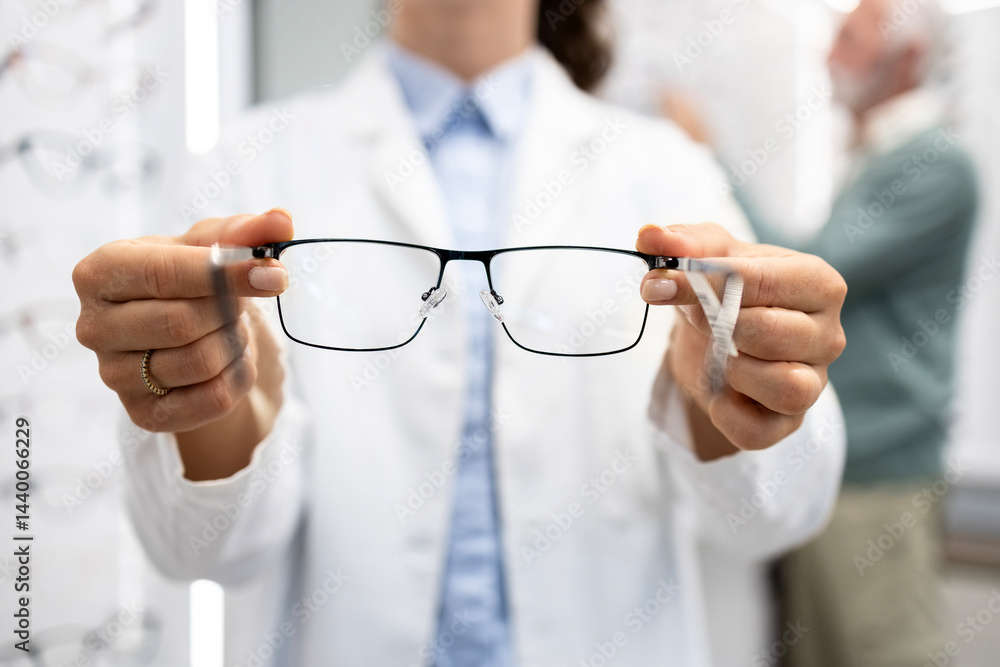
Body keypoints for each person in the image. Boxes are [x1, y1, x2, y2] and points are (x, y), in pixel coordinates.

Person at [72, 0, 849, 664]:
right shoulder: (248, 165)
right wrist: (203, 386)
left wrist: (724, 387)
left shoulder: (667, 170)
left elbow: (768, 516)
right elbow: (199, 547)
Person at [664, 1, 978, 664]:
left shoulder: (934, 165)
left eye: (851, 39)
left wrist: (706, 156)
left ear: (909, 58)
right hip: (844, 473)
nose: (828, 54)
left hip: (876, 481)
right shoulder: (878, 159)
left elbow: (815, 268)